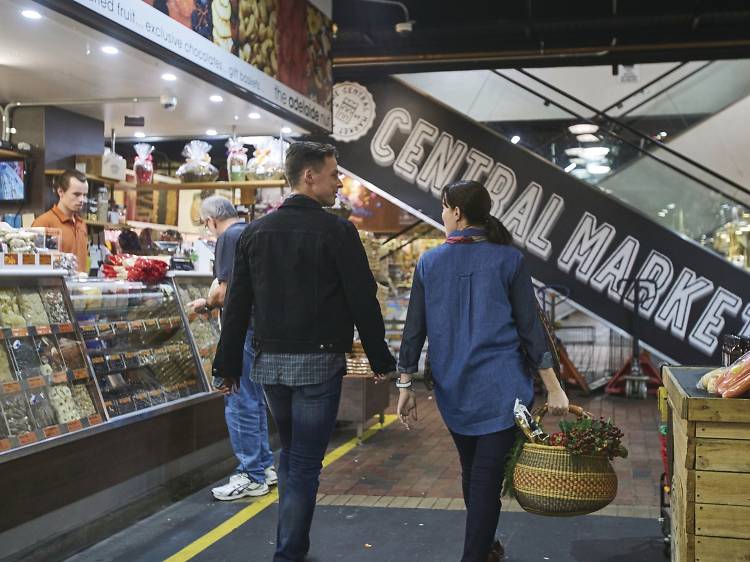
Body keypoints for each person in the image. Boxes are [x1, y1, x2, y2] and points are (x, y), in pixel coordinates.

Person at [213, 141, 397, 562]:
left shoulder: (254, 233)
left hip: (270, 366)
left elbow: (237, 303)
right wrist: (381, 360)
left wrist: (227, 366)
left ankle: (289, 545)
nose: (340, 182)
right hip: (319, 365)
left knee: (291, 451)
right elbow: (361, 299)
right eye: (334, 174)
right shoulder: (338, 232)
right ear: (309, 176)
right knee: (305, 463)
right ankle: (289, 552)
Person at [396, 180, 569, 562]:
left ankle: (480, 551)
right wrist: (553, 388)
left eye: (443, 208)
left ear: (456, 211)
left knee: (476, 473)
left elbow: (414, 329)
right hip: (503, 390)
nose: (442, 215)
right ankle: (482, 549)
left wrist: (405, 382)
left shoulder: (429, 262)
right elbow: (531, 328)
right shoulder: (509, 259)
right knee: (481, 477)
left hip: (453, 391)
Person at [188, 195, 276, 500]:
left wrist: (207, 302)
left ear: (211, 221)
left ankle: (251, 475)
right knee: (254, 400)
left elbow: (224, 293)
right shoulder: (252, 231)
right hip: (260, 329)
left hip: (242, 330)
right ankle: (264, 466)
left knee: (238, 400)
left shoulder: (228, 237)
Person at [32, 169, 89, 273]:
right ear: (60, 192)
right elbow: (33, 264)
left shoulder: (81, 224)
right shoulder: (43, 223)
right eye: (76, 194)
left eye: (84, 195)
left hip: (80, 286)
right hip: (55, 287)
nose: (82, 200)